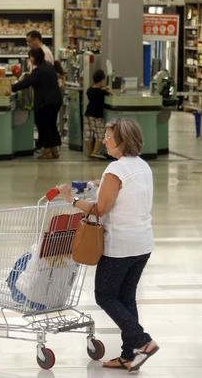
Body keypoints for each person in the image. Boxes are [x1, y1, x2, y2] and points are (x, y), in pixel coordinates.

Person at [58, 118, 158, 371]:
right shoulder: (142, 166)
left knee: (105, 295)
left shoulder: (114, 170)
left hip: (120, 246)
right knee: (125, 297)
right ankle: (129, 355)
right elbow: (124, 189)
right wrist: (96, 184)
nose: (104, 139)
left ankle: (142, 341)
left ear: (122, 141)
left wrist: (71, 200)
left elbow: (100, 209)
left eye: (108, 136)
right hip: (143, 243)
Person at [12, 47, 62, 159]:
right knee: (52, 124)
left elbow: (26, 83)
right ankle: (55, 150)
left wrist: (11, 87)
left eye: (30, 57)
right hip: (56, 100)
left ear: (34, 58)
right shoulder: (49, 66)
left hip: (45, 102)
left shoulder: (39, 71)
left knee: (44, 125)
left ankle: (47, 151)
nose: (29, 59)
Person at [85, 69, 111, 158]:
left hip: (88, 113)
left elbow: (94, 91)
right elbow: (112, 94)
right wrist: (107, 90)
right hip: (97, 115)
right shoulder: (102, 92)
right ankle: (95, 152)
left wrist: (102, 88)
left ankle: (90, 152)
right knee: (100, 134)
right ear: (102, 80)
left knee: (88, 134)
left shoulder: (89, 90)